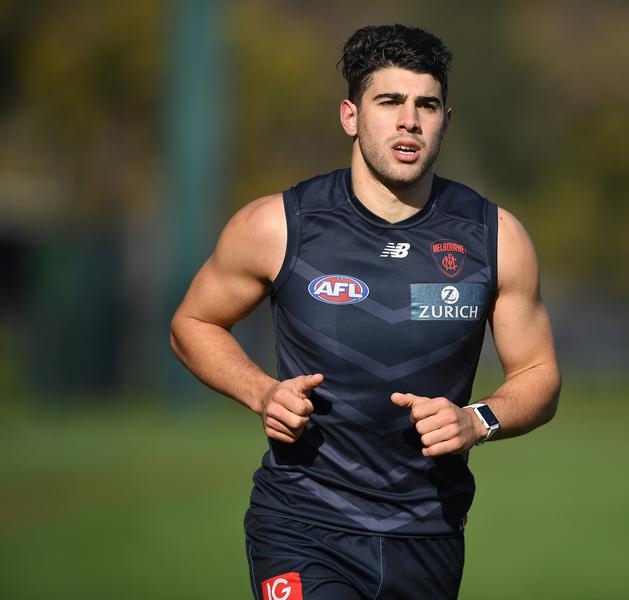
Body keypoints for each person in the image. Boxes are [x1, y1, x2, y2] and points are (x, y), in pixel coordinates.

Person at [170, 23, 561, 600]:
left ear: (445, 120)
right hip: (301, 525)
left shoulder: (494, 237)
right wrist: (262, 392)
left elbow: (539, 375)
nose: (410, 121)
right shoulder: (278, 225)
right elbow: (193, 324)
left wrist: (477, 420)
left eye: (427, 105)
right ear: (350, 116)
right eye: (390, 101)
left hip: (428, 535)